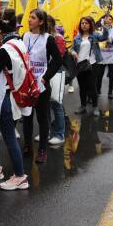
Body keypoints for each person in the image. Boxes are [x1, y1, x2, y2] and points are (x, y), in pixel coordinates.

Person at [0, 9, 29, 191]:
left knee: (9, 137)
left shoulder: (4, 49)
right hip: (12, 95)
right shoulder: (20, 43)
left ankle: (20, 176)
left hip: (5, 98)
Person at [21, 9, 63, 163]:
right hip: (26, 84)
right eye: (29, 17)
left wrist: (45, 78)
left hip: (41, 85)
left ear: (41, 22)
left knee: (42, 118)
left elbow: (57, 60)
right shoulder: (24, 36)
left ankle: (42, 150)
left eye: (33, 18)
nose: (29, 20)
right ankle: (27, 146)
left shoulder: (48, 39)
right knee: (27, 116)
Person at [72, 16, 107, 116]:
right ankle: (83, 106)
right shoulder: (77, 37)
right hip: (80, 65)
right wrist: (73, 52)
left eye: (86, 23)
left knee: (92, 87)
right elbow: (72, 48)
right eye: (82, 23)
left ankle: (95, 107)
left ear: (90, 25)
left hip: (92, 64)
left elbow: (104, 37)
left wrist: (105, 27)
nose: (84, 25)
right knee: (82, 87)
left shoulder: (94, 35)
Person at [46, 16, 66, 146]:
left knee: (56, 103)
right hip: (43, 73)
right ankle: (45, 132)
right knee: (44, 105)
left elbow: (58, 58)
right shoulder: (40, 37)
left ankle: (60, 134)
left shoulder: (58, 38)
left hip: (56, 73)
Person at [93, 14, 113, 100]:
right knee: (99, 75)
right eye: (106, 19)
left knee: (112, 75)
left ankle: (110, 92)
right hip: (101, 56)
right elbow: (96, 40)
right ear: (103, 20)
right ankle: (98, 90)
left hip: (112, 56)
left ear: (112, 21)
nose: (108, 20)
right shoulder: (98, 30)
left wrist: (111, 41)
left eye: (110, 19)